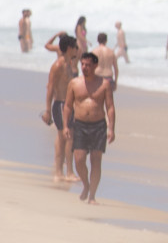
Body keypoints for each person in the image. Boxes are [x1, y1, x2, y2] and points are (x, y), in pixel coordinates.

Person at [65, 50, 115, 204]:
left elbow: (110, 107)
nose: (84, 67)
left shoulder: (104, 84)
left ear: (95, 66)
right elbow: (67, 106)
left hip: (98, 126)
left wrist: (111, 128)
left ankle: (92, 195)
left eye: (88, 65)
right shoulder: (74, 83)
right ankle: (86, 185)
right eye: (83, 64)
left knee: (96, 160)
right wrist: (66, 125)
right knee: (79, 159)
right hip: (79, 125)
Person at [42, 34, 78, 185]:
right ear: (69, 48)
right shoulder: (58, 66)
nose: (77, 49)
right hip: (61, 104)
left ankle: (63, 171)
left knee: (66, 138)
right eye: (75, 46)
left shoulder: (69, 64)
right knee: (66, 138)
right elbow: (50, 87)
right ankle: (64, 172)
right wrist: (47, 110)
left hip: (68, 105)